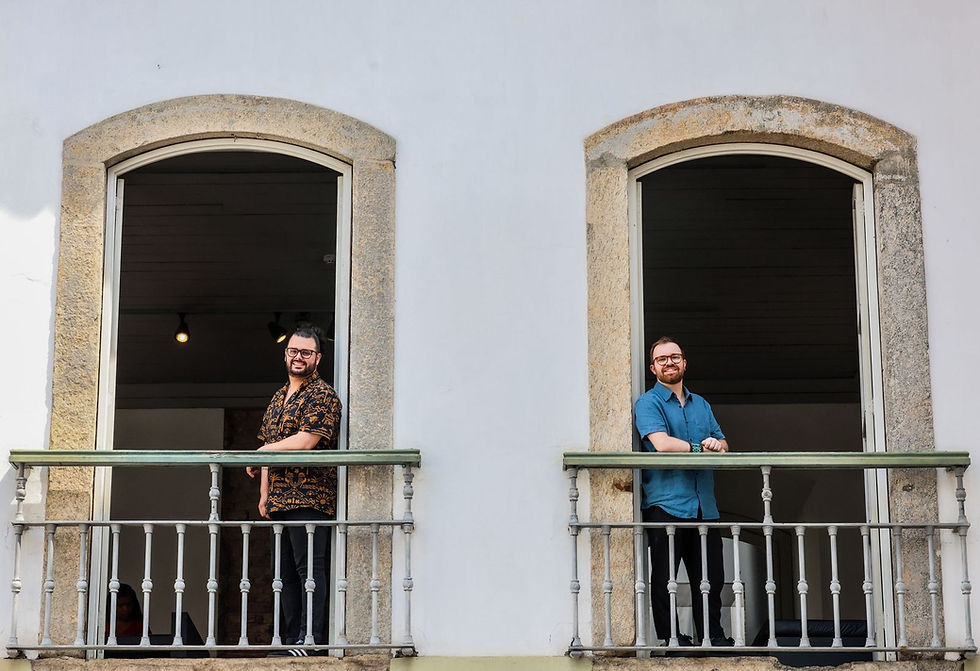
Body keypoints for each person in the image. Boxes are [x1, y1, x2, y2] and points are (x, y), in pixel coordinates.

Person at [247, 325, 342, 656]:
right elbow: (268, 446)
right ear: (285, 353)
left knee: (309, 571)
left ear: (317, 358)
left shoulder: (323, 395)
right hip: (278, 501)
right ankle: (290, 641)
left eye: (305, 352)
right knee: (283, 574)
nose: (298, 357)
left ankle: (310, 639)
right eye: (293, 351)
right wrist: (263, 495)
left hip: (309, 499)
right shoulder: (277, 397)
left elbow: (307, 440)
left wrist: (263, 454)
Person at [634, 336, 732, 647]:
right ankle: (671, 639)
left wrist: (717, 446)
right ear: (653, 368)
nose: (669, 363)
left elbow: (724, 445)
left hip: (705, 506)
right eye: (662, 359)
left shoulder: (701, 404)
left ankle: (711, 637)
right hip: (666, 503)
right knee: (665, 579)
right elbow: (661, 444)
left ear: (684, 363)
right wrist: (698, 449)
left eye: (675, 357)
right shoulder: (647, 403)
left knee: (712, 578)